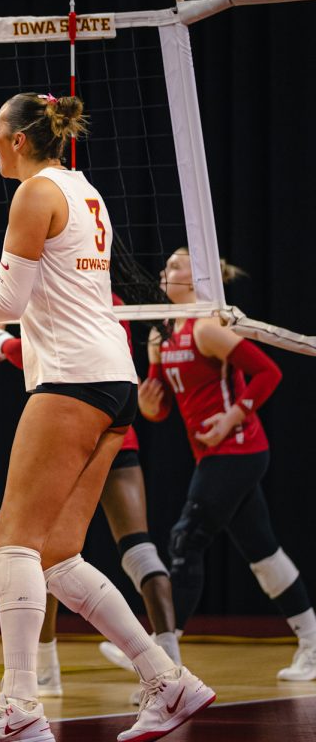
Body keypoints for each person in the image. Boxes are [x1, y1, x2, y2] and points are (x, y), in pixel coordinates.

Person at [0, 93, 214, 742]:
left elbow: (11, 298)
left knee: (14, 540)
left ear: (19, 140)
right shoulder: (84, 189)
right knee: (56, 555)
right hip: (111, 375)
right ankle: (169, 681)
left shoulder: (31, 196)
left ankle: (19, 709)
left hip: (73, 377)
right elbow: (42, 295)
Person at [0, 307, 181, 702]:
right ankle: (168, 672)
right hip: (116, 422)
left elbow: (30, 348)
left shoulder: (63, 286)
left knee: (27, 545)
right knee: (75, 554)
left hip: (76, 415)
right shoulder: (104, 292)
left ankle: (32, 686)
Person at [139, 249, 316, 682]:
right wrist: (147, 408)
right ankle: (312, 644)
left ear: (198, 279)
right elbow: (160, 406)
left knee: (186, 540)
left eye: (177, 266)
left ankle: (161, 655)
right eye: (165, 266)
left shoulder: (208, 327)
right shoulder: (160, 336)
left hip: (239, 449)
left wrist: (230, 419)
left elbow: (268, 373)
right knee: (262, 552)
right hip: (212, 452)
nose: (166, 272)